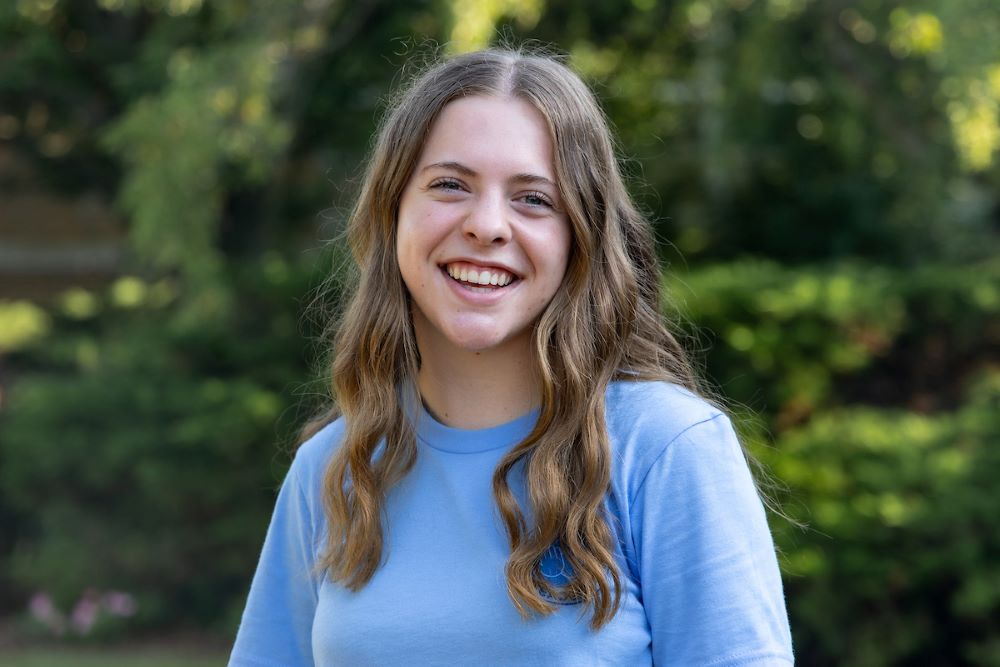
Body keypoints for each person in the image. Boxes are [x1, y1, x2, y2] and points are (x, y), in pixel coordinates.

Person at [229, 47, 793, 666]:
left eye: (534, 199)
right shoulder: (335, 469)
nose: (487, 225)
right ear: (392, 214)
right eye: (450, 185)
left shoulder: (662, 449)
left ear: (581, 236)